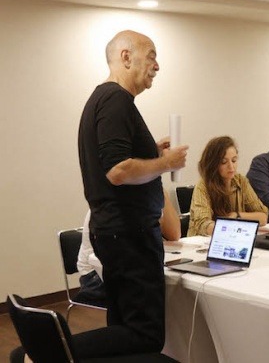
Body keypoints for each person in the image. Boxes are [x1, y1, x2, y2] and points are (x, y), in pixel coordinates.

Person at [74, 30, 188, 358]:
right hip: (129, 235)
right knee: (145, 334)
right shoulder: (116, 100)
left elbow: (112, 160)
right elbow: (117, 171)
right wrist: (164, 162)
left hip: (117, 232)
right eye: (151, 55)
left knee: (124, 324)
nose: (157, 65)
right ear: (126, 57)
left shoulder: (105, 100)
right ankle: (48, 351)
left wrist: (151, 152)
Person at [76, 189, 182, 305]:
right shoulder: (115, 198)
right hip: (95, 275)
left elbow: (174, 234)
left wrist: (160, 190)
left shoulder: (147, 193)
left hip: (125, 267)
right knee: (158, 293)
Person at [188, 136, 268, 236]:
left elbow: (263, 217)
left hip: (233, 237)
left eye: (234, 160)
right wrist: (231, 227)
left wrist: (237, 216)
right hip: (201, 244)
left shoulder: (241, 181)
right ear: (213, 164)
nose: (231, 166)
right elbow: (203, 224)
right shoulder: (203, 185)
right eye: (224, 162)